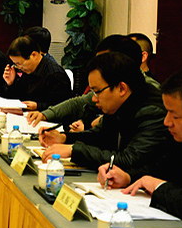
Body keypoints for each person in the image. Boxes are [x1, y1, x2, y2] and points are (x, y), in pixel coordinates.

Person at [96, 65, 182, 222]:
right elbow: (161, 169)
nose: (166, 122)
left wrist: (156, 186)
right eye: (167, 112)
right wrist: (128, 177)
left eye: (175, 116)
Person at [39, 51, 171, 169]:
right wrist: (64, 138)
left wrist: (74, 151)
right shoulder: (119, 105)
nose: (93, 99)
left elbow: (129, 160)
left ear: (122, 89)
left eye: (97, 92)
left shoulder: (152, 111)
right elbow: (100, 136)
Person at [27, 35, 147, 131]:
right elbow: (78, 102)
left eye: (104, 61)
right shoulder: (111, 88)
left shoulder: (147, 99)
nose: (95, 98)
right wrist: (45, 115)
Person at [1, 35, 72, 111]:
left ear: (34, 55)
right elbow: (18, 98)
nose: (19, 67)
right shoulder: (27, 70)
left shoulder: (55, 74)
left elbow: (63, 106)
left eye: (19, 63)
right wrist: (11, 83)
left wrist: (38, 106)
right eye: (15, 64)